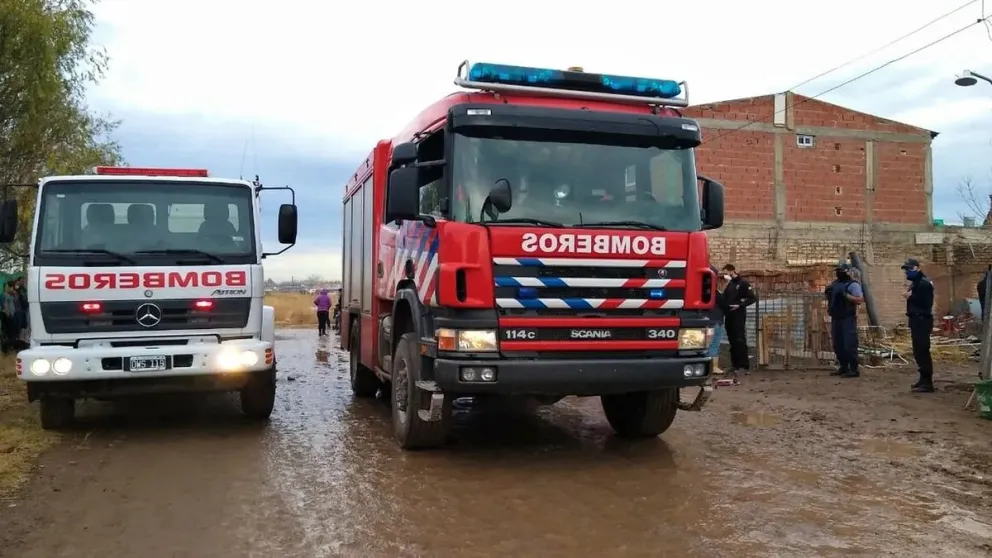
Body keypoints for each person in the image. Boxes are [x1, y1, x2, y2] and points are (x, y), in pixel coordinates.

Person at [826, 263, 864, 378]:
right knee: (838, 344)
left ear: (848, 271)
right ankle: (843, 367)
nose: (839, 273)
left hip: (848, 318)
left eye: (842, 271)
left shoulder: (853, 285)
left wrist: (846, 296)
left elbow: (859, 300)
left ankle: (853, 369)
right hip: (836, 318)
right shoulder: (834, 284)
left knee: (849, 344)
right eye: (838, 270)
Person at [902, 258, 935, 393]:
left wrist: (910, 297)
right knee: (918, 351)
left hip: (922, 320)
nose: (907, 272)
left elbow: (926, 303)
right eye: (906, 270)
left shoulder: (924, 283)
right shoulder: (916, 283)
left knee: (922, 350)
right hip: (916, 320)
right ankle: (922, 379)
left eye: (909, 269)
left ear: (917, 268)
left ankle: (927, 382)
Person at [720, 264, 758, 375]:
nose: (725, 275)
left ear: (732, 271)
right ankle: (735, 364)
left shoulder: (743, 283)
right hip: (729, 315)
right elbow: (724, 298)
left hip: (738, 315)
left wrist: (740, 305)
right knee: (732, 340)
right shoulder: (730, 284)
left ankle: (743, 365)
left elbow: (752, 298)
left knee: (739, 339)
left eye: (726, 273)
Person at [707, 265, 726, 375]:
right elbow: (724, 304)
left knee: (706, 344)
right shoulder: (716, 292)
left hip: (706, 321)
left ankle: (706, 366)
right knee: (714, 344)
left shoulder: (703, 291)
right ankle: (713, 367)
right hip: (716, 321)